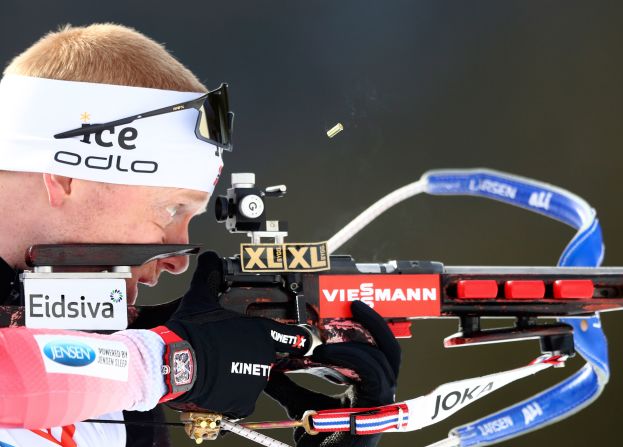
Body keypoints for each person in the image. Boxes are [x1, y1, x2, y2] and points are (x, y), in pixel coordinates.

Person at [0, 24, 399, 447]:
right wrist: (173, 362)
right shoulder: (135, 370)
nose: (179, 259)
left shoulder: (121, 384)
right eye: (171, 208)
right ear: (67, 176)